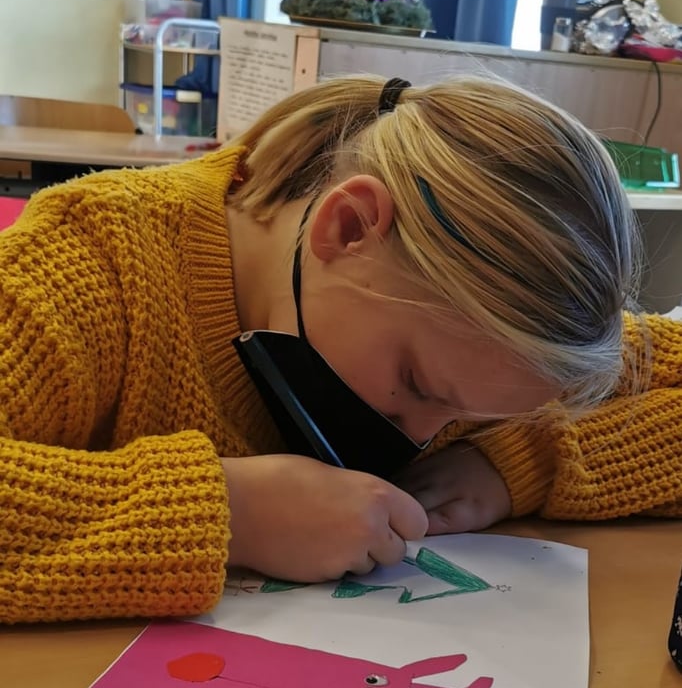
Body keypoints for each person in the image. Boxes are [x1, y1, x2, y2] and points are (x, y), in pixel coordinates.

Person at [1, 75, 679, 624]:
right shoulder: (92, 263)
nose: (422, 439)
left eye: (473, 417)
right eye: (417, 384)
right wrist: (231, 515)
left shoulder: (499, 341)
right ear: (348, 227)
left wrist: (519, 463)